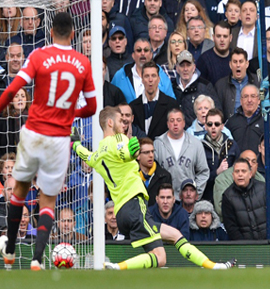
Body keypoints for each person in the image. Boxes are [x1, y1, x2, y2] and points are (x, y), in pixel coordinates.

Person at [0, 12, 97, 270]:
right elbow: (92, 106)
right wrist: (69, 115)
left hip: (34, 132)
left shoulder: (38, 55)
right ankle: (37, 259)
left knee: (19, 191)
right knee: (47, 200)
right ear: (73, 34)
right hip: (59, 139)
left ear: (49, 33)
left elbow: (13, 89)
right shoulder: (82, 63)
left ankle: (10, 251)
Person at [72, 106, 234, 270]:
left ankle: (214, 266)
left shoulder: (98, 153)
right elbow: (124, 153)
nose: (125, 123)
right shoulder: (119, 139)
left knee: (174, 235)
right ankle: (118, 267)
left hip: (121, 212)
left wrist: (76, 143)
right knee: (160, 258)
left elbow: (85, 154)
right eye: (121, 121)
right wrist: (131, 153)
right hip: (134, 204)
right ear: (109, 122)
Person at [153, 108, 210, 200]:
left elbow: (203, 172)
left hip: (187, 201)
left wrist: (194, 194)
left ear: (184, 123)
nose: (175, 123)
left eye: (178, 120)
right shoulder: (158, 144)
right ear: (167, 124)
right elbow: (152, 172)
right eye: (172, 120)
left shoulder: (196, 144)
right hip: (165, 200)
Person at [129, 61, 180, 140]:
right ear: (142, 80)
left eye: (153, 76)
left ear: (159, 79)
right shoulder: (133, 106)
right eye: (146, 76)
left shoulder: (171, 104)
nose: (150, 80)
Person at [201, 108, 240, 202]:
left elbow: (240, 171)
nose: (213, 127)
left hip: (230, 197)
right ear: (205, 126)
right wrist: (217, 172)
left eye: (217, 124)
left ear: (222, 126)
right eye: (210, 124)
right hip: (208, 198)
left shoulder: (232, 145)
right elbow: (199, 179)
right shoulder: (199, 147)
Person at [137, 137, 172, 207]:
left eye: (152, 151)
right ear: (138, 156)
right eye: (146, 152)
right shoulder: (132, 176)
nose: (151, 155)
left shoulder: (164, 176)